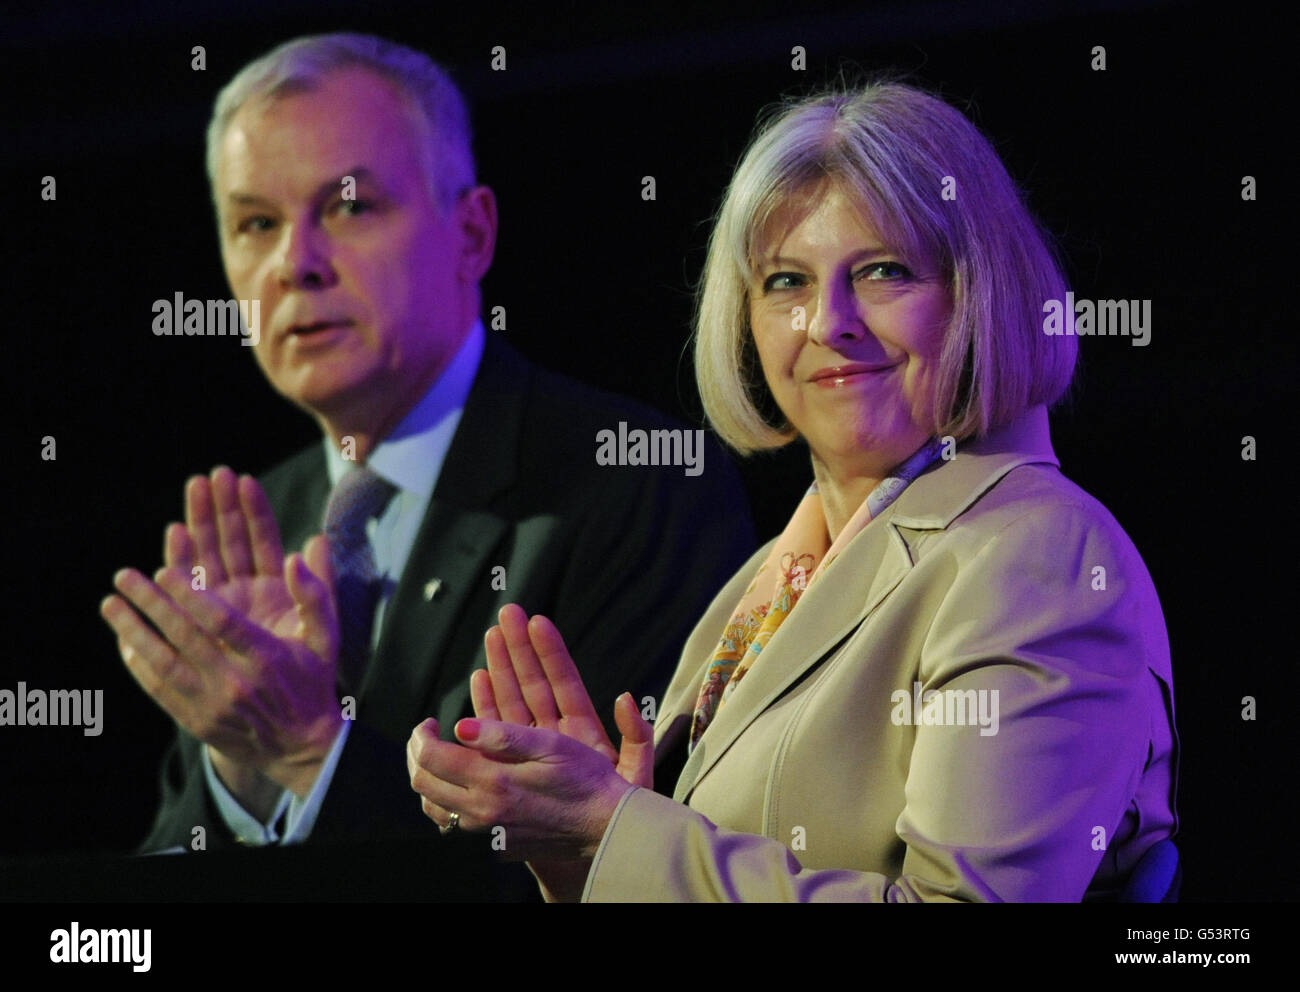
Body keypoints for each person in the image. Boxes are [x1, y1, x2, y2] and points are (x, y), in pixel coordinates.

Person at [405, 81, 1180, 901]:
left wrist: (616, 833)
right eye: (786, 283)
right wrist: (576, 851)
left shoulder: (1038, 556)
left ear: (980, 294)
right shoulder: (763, 582)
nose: (826, 323)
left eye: (882, 273)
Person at [98, 33, 754, 855]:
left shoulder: (638, 487)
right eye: (256, 223)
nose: (294, 264)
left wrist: (310, 752)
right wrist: (246, 761)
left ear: (472, 235)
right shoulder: (259, 522)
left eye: (348, 207)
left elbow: (611, 864)